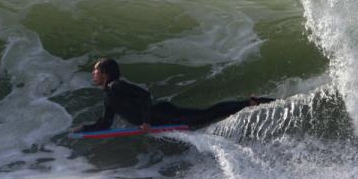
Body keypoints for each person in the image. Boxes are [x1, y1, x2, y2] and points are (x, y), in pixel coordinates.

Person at [72, 58, 275, 133]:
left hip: (164, 114)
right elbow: (106, 123)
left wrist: (145, 122)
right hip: (160, 117)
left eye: (96, 71)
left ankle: (251, 103)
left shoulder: (116, 86)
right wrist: (84, 128)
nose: (93, 74)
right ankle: (250, 103)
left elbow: (144, 96)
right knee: (208, 115)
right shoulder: (108, 95)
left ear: (105, 74)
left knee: (208, 114)